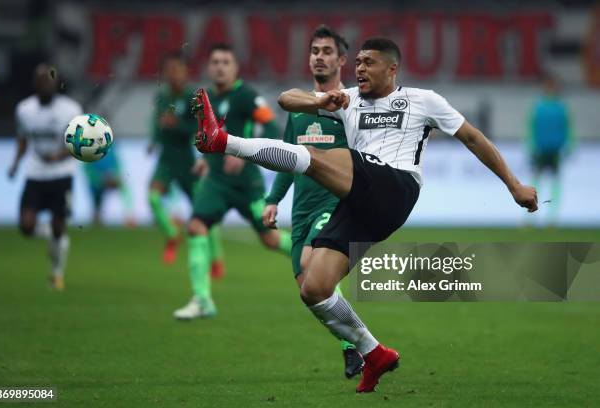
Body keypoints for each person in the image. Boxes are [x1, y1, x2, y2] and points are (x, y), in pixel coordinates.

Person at [193, 37, 538, 392]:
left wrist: (514, 185)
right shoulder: (347, 100)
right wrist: (321, 99)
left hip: (397, 186)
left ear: (391, 68)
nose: (359, 68)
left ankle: (222, 140)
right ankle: (374, 353)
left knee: (312, 156)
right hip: (363, 203)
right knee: (314, 289)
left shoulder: (423, 100)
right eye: (357, 62)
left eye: (368, 62)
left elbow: (474, 138)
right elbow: (285, 101)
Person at [262, 25, 363, 379]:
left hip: (334, 205)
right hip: (301, 211)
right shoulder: (299, 109)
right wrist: (273, 200)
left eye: (326, 51)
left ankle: (358, 348)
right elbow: (287, 159)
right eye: (314, 51)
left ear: (341, 60)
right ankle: (354, 347)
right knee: (309, 292)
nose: (319, 56)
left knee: (310, 260)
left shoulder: (350, 109)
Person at [173, 44, 291, 320]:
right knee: (196, 226)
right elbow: (206, 135)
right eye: (215, 62)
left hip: (246, 183)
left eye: (226, 61)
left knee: (271, 239)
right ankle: (202, 300)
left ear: (235, 68)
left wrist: (245, 155)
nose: (220, 66)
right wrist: (205, 158)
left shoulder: (247, 96)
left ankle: (309, 257)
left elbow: (271, 126)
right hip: (215, 181)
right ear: (208, 67)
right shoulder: (205, 98)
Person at [8, 64, 82, 291]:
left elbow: (79, 143)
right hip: (35, 173)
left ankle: (57, 274)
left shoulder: (70, 109)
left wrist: (58, 155)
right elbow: (23, 139)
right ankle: (53, 233)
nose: (45, 84)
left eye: (49, 80)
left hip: (62, 174)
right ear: (35, 83)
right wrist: (15, 163)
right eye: (41, 80)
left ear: (56, 83)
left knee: (59, 224)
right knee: (26, 226)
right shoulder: (24, 109)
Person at [148, 51, 224, 268]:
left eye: (177, 69)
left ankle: (216, 259)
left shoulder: (194, 97)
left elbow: (197, 127)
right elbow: (157, 122)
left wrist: (178, 126)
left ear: (185, 72)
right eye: (168, 70)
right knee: (153, 198)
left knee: (203, 210)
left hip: (186, 161)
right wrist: (154, 139)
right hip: (166, 159)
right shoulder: (162, 97)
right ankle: (173, 234)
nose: (173, 74)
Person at [527, 74, 573, 224]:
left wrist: (569, 145)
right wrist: (531, 145)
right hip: (540, 149)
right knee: (536, 183)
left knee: (554, 182)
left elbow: (568, 128)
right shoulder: (538, 107)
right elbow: (530, 127)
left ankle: (552, 217)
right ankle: (531, 216)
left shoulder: (561, 108)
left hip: (555, 150)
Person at [84, 146, 135, 226]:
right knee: (97, 200)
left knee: (123, 187)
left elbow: (117, 164)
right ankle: (96, 217)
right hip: (97, 182)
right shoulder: (89, 148)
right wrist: (100, 179)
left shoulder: (110, 147)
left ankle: (130, 216)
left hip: (110, 179)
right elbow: (87, 169)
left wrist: (114, 176)